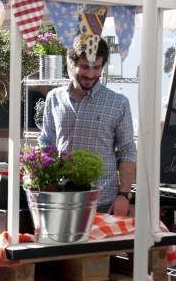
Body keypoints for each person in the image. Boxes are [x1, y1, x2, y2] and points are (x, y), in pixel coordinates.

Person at [38, 35, 136, 217]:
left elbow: (127, 150)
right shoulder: (54, 98)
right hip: (61, 197)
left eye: (96, 68)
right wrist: (46, 181)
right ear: (70, 61)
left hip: (103, 200)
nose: (90, 74)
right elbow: (47, 142)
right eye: (84, 67)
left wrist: (124, 194)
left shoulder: (118, 103)